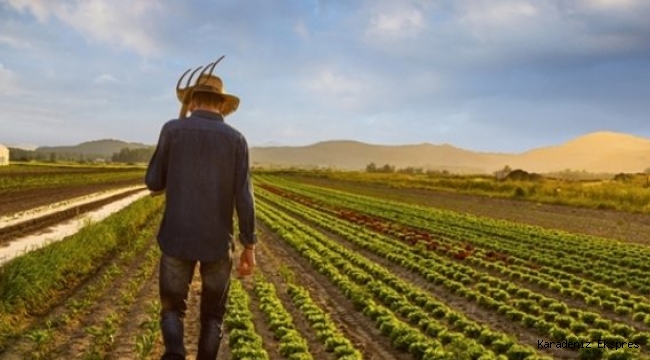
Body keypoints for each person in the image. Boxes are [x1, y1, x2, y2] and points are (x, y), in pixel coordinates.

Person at [145, 60, 257, 360]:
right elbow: (244, 197)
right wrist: (249, 244)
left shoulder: (172, 129)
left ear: (192, 101)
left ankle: (174, 355)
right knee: (213, 317)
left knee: (172, 310)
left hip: (176, 238)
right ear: (221, 104)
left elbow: (153, 181)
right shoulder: (237, 140)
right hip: (217, 243)